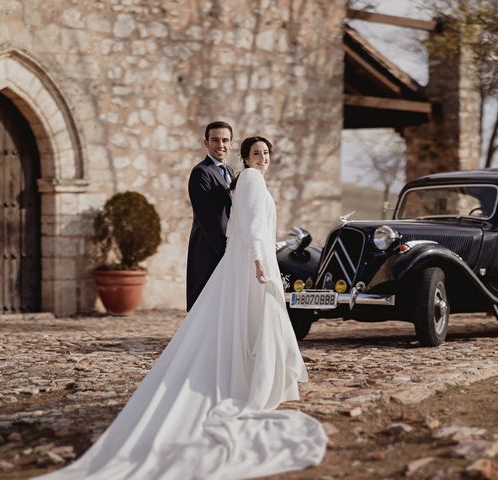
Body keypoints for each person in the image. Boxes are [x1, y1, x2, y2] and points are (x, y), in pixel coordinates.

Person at [33, 136, 327, 480]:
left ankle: (255, 378)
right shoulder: (250, 178)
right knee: (258, 318)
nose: (262, 158)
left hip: (252, 258)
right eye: (256, 153)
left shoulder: (249, 179)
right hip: (253, 262)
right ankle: (253, 382)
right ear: (245, 159)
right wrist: (261, 260)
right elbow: (247, 227)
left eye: (265, 153)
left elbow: (248, 223)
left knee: (255, 319)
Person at [186, 121, 235, 311]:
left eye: (225, 140)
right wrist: (226, 252)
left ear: (231, 143)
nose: (220, 145)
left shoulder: (230, 172)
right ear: (206, 142)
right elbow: (207, 219)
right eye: (215, 140)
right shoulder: (201, 173)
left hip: (226, 245)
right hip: (209, 248)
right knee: (206, 303)